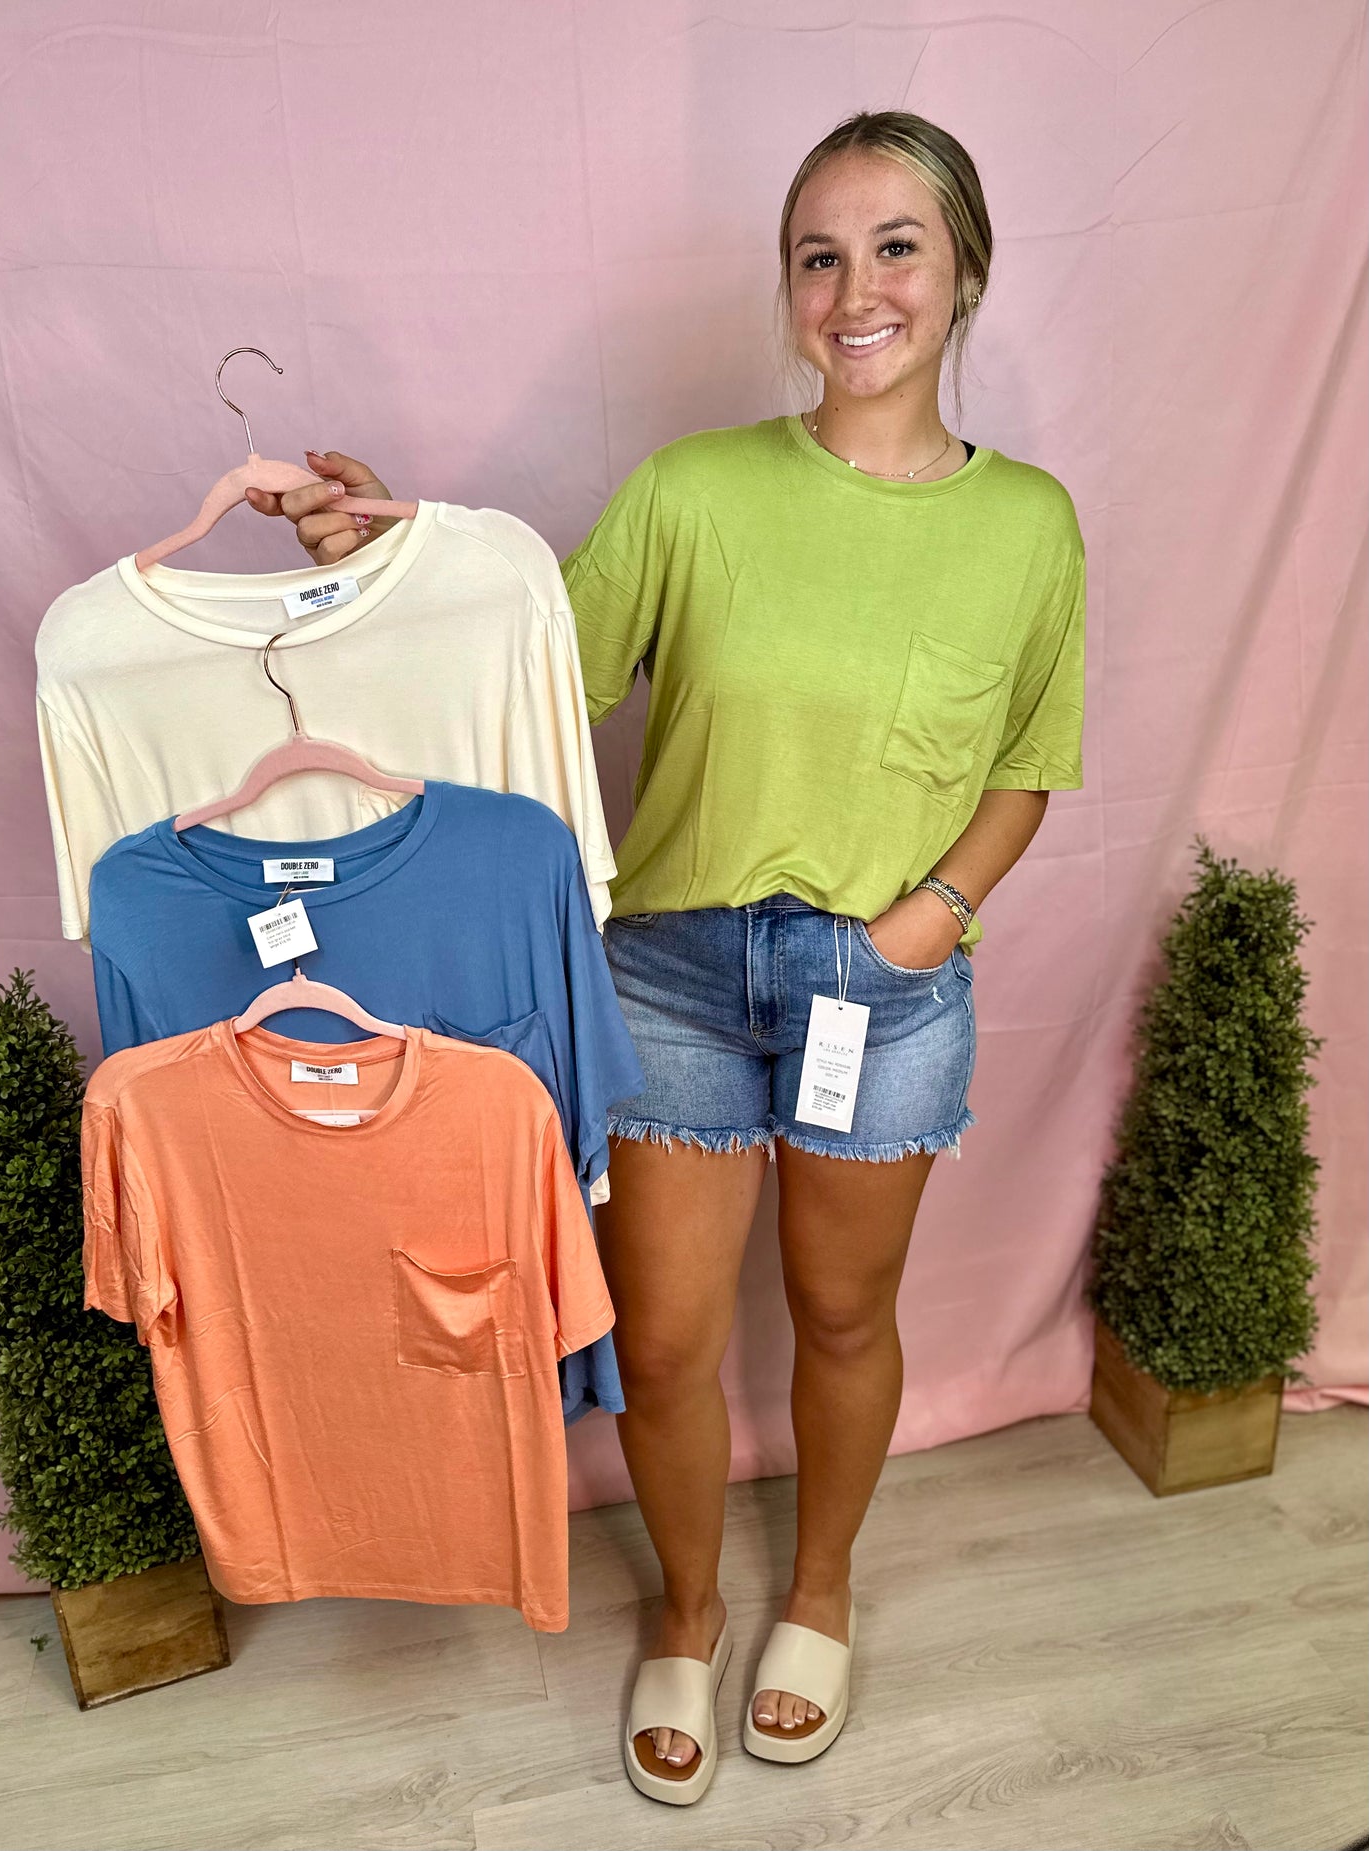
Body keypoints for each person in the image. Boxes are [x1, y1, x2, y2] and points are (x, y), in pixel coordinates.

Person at [249, 109, 1086, 1806]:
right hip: (675, 979)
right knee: (671, 1338)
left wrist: (932, 913)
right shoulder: (693, 490)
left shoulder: (1031, 524)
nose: (855, 290)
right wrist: (389, 559)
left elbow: (1028, 763)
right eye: (817, 257)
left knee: (842, 1315)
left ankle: (821, 1595)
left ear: (965, 271)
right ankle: (691, 1610)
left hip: (884, 989)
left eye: (895, 247)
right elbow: (524, 664)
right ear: (788, 290)